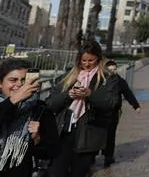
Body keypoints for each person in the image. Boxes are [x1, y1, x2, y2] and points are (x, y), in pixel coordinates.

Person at [45, 41, 118, 177]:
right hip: (63, 133)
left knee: (78, 173)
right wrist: (68, 95)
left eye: (91, 60)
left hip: (88, 136)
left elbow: (111, 103)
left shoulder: (108, 78)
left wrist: (89, 95)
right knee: (55, 172)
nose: (87, 64)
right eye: (84, 60)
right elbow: (50, 103)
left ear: (99, 59)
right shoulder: (68, 77)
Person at [0, 59, 58, 177]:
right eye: (13, 80)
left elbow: (52, 150)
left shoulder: (40, 110)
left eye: (24, 80)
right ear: (1, 83)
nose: (20, 85)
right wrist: (13, 100)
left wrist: (37, 140)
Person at [99, 60, 140, 168]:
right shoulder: (100, 80)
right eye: (110, 69)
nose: (112, 71)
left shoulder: (120, 81)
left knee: (111, 135)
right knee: (99, 134)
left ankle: (108, 156)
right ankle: (93, 154)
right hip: (100, 112)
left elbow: (127, 93)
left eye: (114, 69)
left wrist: (135, 105)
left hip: (113, 113)